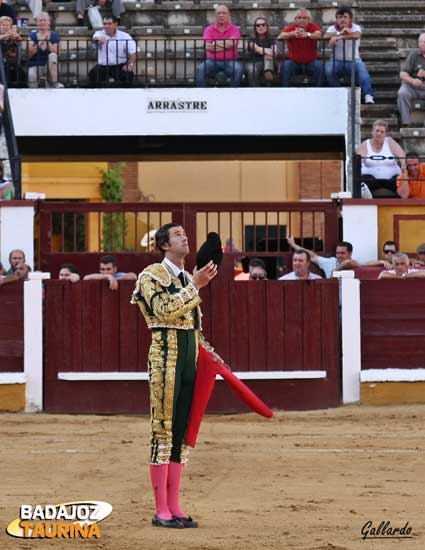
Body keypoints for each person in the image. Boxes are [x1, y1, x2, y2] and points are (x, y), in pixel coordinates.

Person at [131, 223, 222, 529]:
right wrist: (195, 285)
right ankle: (160, 510)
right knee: (164, 430)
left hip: (189, 361)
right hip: (165, 360)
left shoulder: (185, 278)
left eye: (185, 234)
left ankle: (175, 505)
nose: (185, 238)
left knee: (180, 433)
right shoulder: (151, 275)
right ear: (164, 244)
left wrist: (209, 353)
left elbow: (194, 329)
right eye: (178, 235)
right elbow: (164, 311)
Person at [324, 5, 374, 104]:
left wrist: (340, 37)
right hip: (336, 61)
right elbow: (326, 36)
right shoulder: (332, 28)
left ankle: (368, 95)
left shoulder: (356, 27)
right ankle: (339, 94)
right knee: (328, 70)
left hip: (353, 60)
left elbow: (357, 35)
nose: (342, 19)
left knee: (362, 69)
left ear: (350, 19)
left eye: (345, 17)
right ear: (337, 19)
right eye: (340, 17)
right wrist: (339, 33)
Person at [196, 5, 243, 88]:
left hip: (230, 60)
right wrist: (227, 45)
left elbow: (232, 43)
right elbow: (208, 46)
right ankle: (203, 94)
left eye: (224, 13)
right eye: (219, 13)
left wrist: (215, 43)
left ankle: (233, 94)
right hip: (212, 61)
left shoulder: (235, 29)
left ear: (228, 15)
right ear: (215, 15)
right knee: (200, 69)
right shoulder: (208, 29)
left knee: (238, 69)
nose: (221, 15)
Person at [357, 119, 406, 198]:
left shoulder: (390, 142)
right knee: (365, 179)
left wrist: (403, 166)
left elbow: (402, 154)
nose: (379, 133)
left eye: (382, 131)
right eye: (377, 131)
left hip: (391, 180)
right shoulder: (365, 145)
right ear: (372, 132)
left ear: (385, 134)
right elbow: (358, 161)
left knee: (400, 180)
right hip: (372, 181)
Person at [278, 8, 323, 87]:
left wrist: (307, 34)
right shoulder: (291, 28)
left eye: (305, 18)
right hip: (294, 62)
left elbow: (319, 35)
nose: (302, 20)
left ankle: (318, 91)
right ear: (295, 19)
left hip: (311, 62)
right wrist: (292, 33)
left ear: (309, 19)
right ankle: (285, 91)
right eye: (299, 18)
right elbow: (280, 36)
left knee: (319, 66)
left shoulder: (313, 26)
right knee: (285, 66)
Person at [88, 16, 137, 85]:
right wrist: (99, 39)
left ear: (115, 25)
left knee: (128, 75)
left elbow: (133, 52)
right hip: (103, 66)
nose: (106, 26)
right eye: (104, 24)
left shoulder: (125, 36)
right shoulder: (99, 33)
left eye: (109, 23)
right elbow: (95, 38)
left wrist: (130, 64)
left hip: (119, 65)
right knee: (92, 74)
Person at [287, 236, 359, 278]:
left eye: (342, 253)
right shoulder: (330, 262)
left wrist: (335, 271)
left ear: (350, 254)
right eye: (337, 253)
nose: (339, 256)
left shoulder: (354, 263)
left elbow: (348, 262)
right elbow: (311, 255)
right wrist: (294, 245)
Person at [27, 13, 63, 89]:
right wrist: (41, 41)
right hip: (35, 65)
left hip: (50, 66)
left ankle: (54, 84)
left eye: (44, 20)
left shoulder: (54, 35)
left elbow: (58, 53)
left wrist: (48, 41)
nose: (42, 22)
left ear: (49, 22)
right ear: (37, 23)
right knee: (31, 74)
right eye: (40, 21)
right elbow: (29, 54)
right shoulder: (32, 35)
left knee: (53, 55)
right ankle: (33, 91)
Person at [397, 34, 425, 127]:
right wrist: (412, 81)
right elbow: (402, 74)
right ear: (419, 44)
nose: (424, 44)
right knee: (402, 93)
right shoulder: (414, 55)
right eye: (423, 42)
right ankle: (406, 123)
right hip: (412, 86)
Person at [246, 17, 277, 86]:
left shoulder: (271, 38)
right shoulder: (251, 38)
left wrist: (264, 52)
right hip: (254, 62)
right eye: (258, 25)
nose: (261, 27)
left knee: (268, 60)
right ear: (255, 27)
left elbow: (274, 51)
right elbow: (255, 48)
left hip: (269, 61)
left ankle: (268, 72)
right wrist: (267, 51)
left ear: (267, 27)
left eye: (263, 25)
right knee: (252, 69)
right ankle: (255, 91)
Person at [0, 16, 25, 88]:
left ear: (10, 26)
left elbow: (20, 39)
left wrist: (15, 36)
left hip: (12, 63)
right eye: (3, 25)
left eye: (7, 25)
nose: (5, 27)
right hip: (1, 65)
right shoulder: (5, 35)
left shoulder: (12, 36)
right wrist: (7, 35)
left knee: (20, 74)